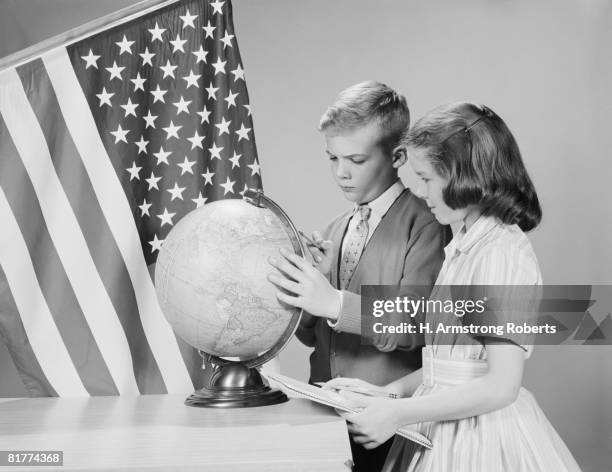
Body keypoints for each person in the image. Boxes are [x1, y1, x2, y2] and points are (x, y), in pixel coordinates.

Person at [324, 102, 582, 471]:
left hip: (481, 438)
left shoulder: (500, 253)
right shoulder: (463, 247)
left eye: (427, 178)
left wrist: (398, 413)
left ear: (463, 175)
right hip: (446, 427)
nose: (421, 191)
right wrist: (387, 393)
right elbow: (447, 369)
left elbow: (501, 385)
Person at [267, 81, 449, 472]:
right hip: (326, 415)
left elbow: (415, 325)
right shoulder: (335, 229)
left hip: (388, 422)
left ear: (398, 155)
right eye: (332, 158)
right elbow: (310, 336)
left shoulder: (427, 224)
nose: (341, 173)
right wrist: (311, 296)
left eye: (356, 160)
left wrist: (333, 301)